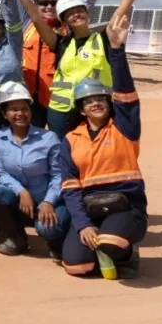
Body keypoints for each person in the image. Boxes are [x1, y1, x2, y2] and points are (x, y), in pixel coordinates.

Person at [19, 0, 146, 137]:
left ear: (87, 14)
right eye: (70, 13)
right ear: (64, 20)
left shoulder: (102, 40)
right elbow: (36, 17)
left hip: (92, 108)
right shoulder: (60, 43)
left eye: (80, 11)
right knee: (61, 153)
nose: (76, 15)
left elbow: (123, 8)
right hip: (60, 111)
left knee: (90, 154)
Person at [60, 15, 146, 280]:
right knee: (77, 267)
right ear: (82, 110)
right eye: (88, 101)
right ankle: (101, 249)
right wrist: (83, 225)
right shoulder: (71, 139)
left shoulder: (124, 127)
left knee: (111, 242)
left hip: (126, 206)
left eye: (100, 98)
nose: (95, 103)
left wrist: (117, 51)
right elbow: (71, 188)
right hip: (91, 210)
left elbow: (125, 93)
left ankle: (126, 251)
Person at [18, 0, 117, 125]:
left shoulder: (68, 30)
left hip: (58, 98)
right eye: (43, 3)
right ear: (36, 4)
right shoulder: (27, 24)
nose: (48, 7)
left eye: (53, 3)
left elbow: (87, 3)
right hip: (30, 96)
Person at [0, 82, 70, 258]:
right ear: (4, 114)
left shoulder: (48, 138)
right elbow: (1, 172)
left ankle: (55, 243)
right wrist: (22, 192)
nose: (20, 114)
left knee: (48, 228)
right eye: (14, 109)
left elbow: (58, 175)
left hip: (49, 200)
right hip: (20, 201)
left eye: (24, 109)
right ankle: (17, 239)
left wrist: (48, 202)